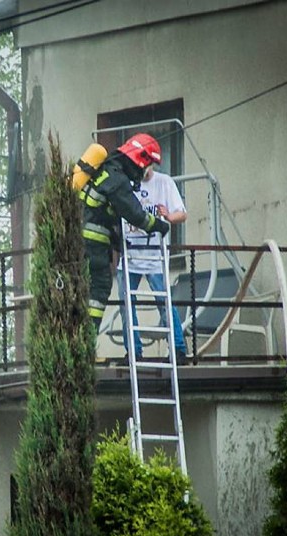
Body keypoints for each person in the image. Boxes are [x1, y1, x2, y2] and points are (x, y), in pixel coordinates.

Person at [78, 133, 170, 330]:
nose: (144, 171)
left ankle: (79, 337)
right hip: (93, 247)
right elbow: (137, 215)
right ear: (140, 159)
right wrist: (161, 226)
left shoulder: (105, 170)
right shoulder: (118, 180)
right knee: (99, 290)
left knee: (81, 292)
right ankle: (86, 338)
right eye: (146, 165)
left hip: (80, 243)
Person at [116, 167, 189, 364]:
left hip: (155, 256)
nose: (141, 169)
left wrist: (168, 217)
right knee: (126, 305)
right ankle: (133, 351)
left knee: (164, 303)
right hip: (130, 255)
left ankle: (178, 349)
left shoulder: (164, 182)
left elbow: (182, 214)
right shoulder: (126, 183)